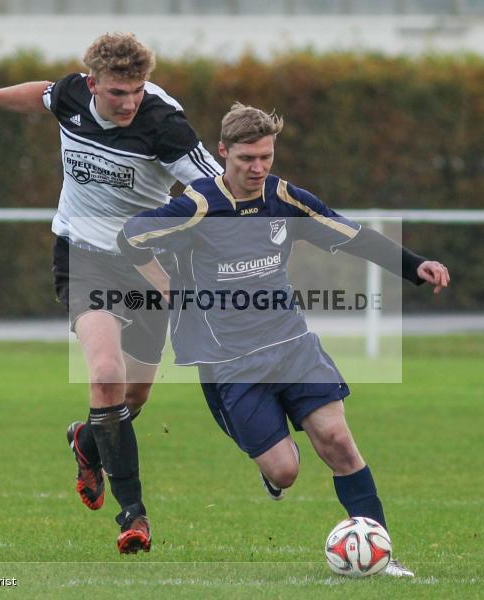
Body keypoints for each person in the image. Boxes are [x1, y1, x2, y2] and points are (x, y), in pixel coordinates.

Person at [117, 103, 450, 576]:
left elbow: (349, 233)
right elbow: (131, 237)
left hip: (292, 345)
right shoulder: (198, 206)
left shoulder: (284, 198)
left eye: (265, 157)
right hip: (230, 362)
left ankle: (381, 553)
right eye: (246, 159)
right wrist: (167, 287)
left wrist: (415, 266)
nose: (257, 168)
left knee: (337, 441)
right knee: (285, 471)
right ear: (223, 153)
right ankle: (272, 470)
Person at [0, 32, 222, 554]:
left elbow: (217, 189)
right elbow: (42, 93)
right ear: (92, 84)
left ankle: (86, 442)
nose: (129, 102)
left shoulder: (164, 124)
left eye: (136, 90)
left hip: (147, 266)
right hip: (83, 255)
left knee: (132, 397)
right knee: (106, 376)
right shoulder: (72, 94)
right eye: (117, 92)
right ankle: (133, 515)